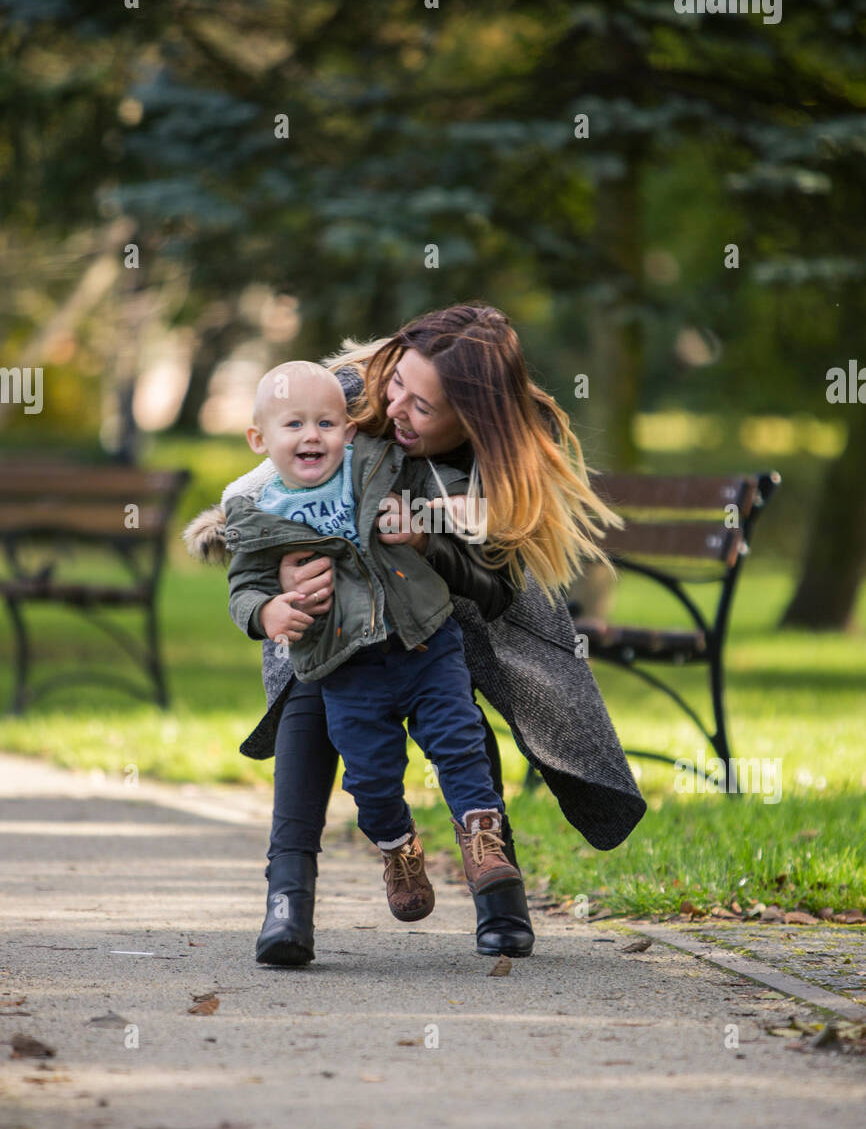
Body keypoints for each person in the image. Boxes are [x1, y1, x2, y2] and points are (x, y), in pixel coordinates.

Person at [185, 304, 646, 967]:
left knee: (456, 715)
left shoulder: (498, 465)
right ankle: (287, 900)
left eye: (421, 405)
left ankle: (500, 901)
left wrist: (430, 542)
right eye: (397, 383)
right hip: (330, 616)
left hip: (448, 612)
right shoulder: (353, 398)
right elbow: (259, 492)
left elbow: (496, 593)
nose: (395, 406)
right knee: (308, 700)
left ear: (471, 421)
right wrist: (283, 569)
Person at [214, 357, 525, 956]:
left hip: (426, 643)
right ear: (259, 441)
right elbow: (243, 586)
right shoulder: (260, 513)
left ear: (351, 428)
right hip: (342, 666)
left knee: (458, 739)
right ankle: (396, 846)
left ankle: (484, 843)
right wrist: (268, 611)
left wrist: (431, 525)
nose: (313, 435)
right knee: (372, 777)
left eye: (327, 423)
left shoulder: (381, 465)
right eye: (295, 426)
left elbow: (462, 504)